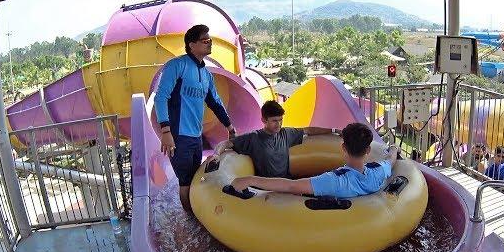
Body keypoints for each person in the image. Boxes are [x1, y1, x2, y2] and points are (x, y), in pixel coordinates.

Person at [154, 24, 237, 212]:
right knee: (185, 182)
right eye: (205, 40)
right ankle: (189, 218)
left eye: (210, 40)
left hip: (195, 137)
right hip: (177, 136)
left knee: (195, 178)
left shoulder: (206, 74)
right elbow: (161, 97)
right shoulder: (177, 65)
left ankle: (196, 212)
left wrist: (230, 127)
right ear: (192, 44)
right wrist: (165, 131)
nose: (209, 44)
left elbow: (215, 103)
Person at [231, 122, 396, 198]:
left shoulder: (334, 181)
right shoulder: (379, 171)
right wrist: (394, 149)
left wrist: (251, 179)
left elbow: (291, 185)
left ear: (343, 148)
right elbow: (391, 160)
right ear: (368, 150)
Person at [209, 100, 340, 178]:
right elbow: (226, 143)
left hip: (287, 182)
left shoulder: (286, 133)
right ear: (263, 120)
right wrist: (216, 154)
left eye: (280, 120)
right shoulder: (253, 137)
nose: (278, 124)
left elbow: (309, 130)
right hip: (266, 188)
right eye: (274, 121)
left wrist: (334, 130)